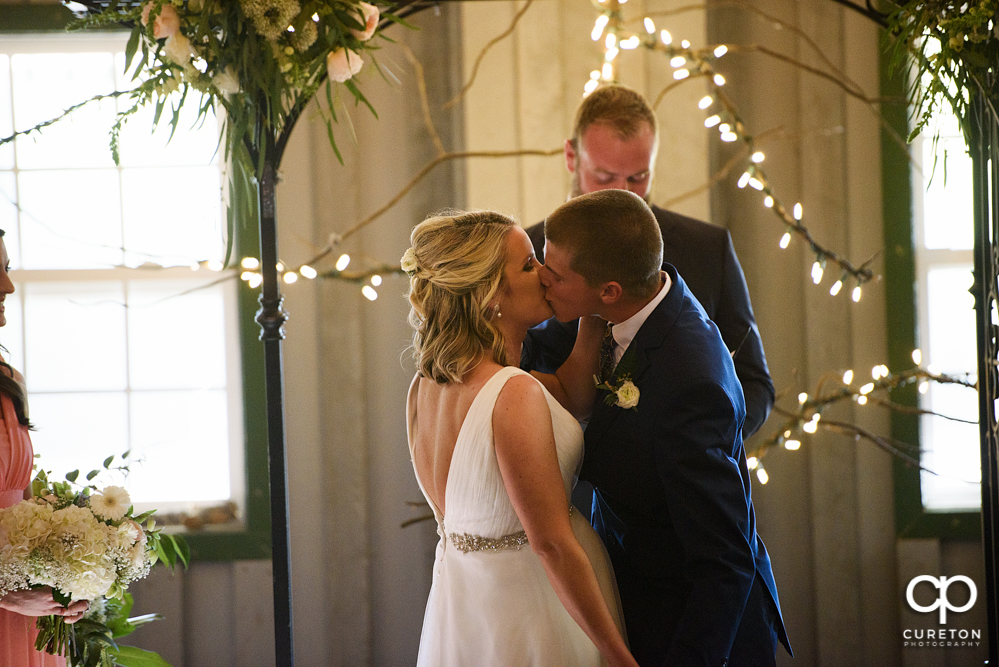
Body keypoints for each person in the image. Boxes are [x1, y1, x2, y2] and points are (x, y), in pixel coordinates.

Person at [539, 190, 791, 666]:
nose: (543, 281)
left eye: (554, 275)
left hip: (690, 626)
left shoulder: (689, 382)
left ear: (608, 290)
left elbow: (724, 563)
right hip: (640, 595)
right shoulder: (635, 302)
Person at [404, 210, 638, 667]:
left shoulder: (424, 387)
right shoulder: (512, 393)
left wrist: (591, 310)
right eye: (530, 265)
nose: (546, 274)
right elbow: (550, 543)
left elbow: (572, 395)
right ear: (491, 294)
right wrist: (617, 652)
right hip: (536, 612)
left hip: (470, 613)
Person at [523, 84, 774, 439]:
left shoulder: (707, 249)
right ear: (570, 157)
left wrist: (704, 444)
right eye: (605, 177)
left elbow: (754, 383)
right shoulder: (526, 255)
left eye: (638, 177)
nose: (623, 192)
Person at [0, 230, 88, 667]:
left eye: (7, 268)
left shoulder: (10, 379)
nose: (7, 286)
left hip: (29, 609)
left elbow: (24, 497)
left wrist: (66, 581)